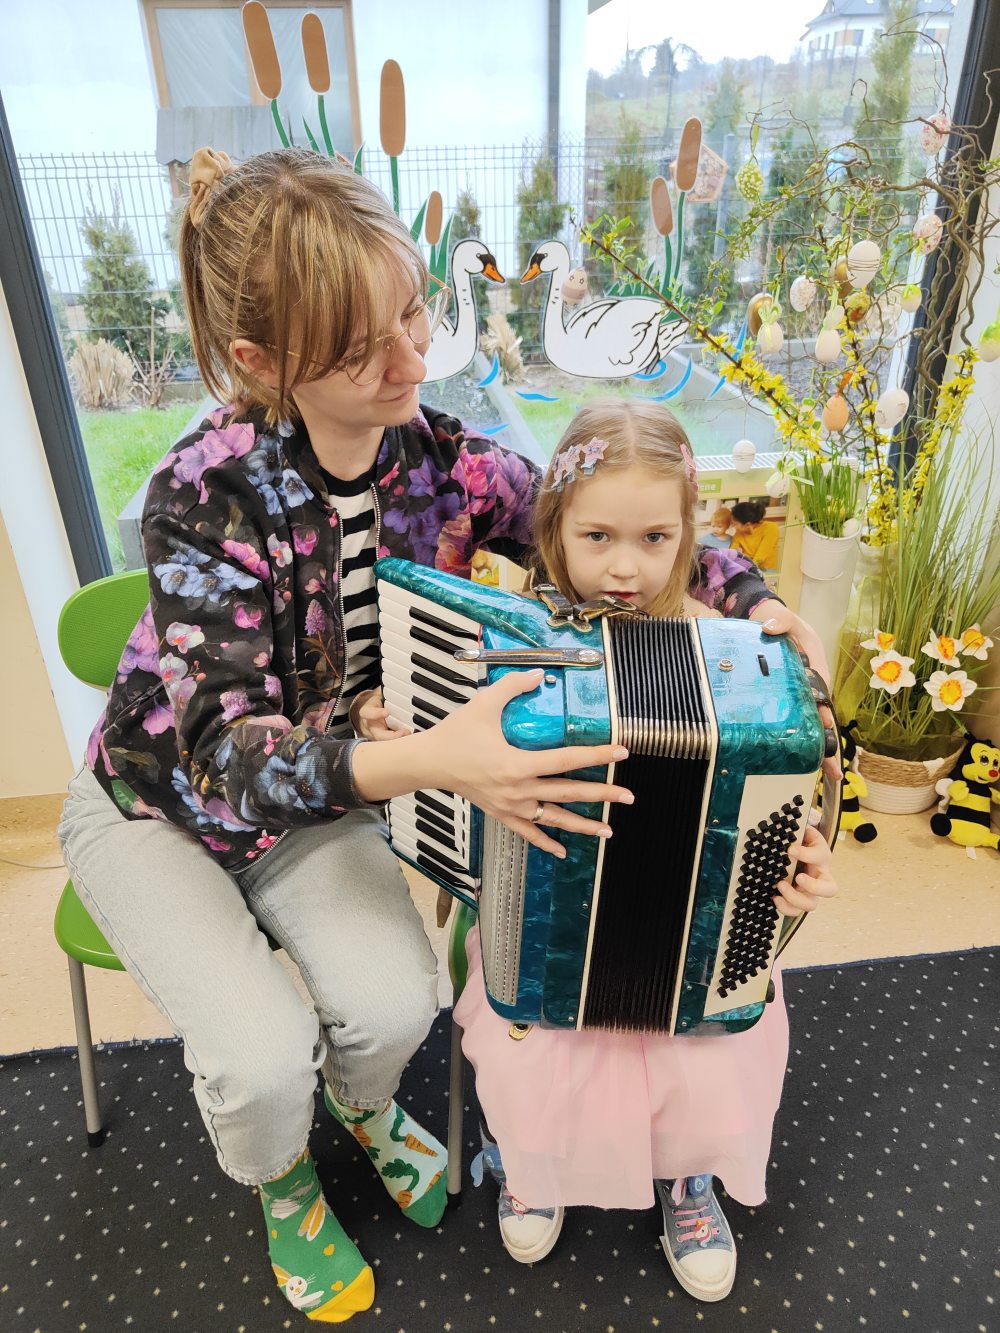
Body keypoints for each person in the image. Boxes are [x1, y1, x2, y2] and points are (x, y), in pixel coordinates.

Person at [57, 150, 826, 1322]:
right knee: (259, 1058)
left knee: (392, 1005)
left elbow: (593, 508)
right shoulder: (199, 493)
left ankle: (363, 1105)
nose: (413, 360)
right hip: (153, 807)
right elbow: (223, 758)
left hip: (330, 791)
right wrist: (432, 758)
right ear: (262, 364)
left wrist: (751, 596)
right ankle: (284, 1184)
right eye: (364, 349)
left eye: (412, 312)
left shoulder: (436, 455)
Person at [443, 401, 838, 1305]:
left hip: (692, 937)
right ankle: (534, 1166)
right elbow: (462, 779)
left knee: (714, 1057)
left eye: (655, 537)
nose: (626, 567)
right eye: (598, 537)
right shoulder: (515, 643)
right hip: (543, 927)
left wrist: (796, 864)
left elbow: (790, 801)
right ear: (553, 530)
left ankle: (689, 1176)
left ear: (687, 533)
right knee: (532, 1053)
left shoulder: (741, 661)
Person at [730, 497, 780, 570]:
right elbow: (732, 553)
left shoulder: (771, 528)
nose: (733, 526)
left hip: (766, 570)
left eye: (735, 524)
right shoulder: (739, 532)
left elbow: (760, 558)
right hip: (747, 568)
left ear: (747, 524)